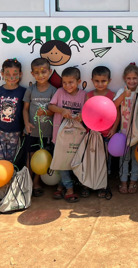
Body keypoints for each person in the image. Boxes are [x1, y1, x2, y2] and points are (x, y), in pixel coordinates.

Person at [48, 67, 87, 203]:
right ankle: (69, 189)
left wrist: (82, 116)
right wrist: (62, 110)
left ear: (79, 81)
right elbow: (51, 107)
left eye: (71, 82)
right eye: (64, 82)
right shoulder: (59, 92)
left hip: (76, 138)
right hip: (59, 137)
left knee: (74, 162)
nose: (67, 86)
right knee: (62, 163)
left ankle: (62, 185)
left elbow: (87, 112)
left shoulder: (83, 95)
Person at [23, 58, 57, 197]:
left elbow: (54, 111)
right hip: (32, 131)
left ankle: (37, 182)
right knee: (30, 157)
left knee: (41, 159)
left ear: (49, 72)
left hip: (47, 132)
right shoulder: (30, 90)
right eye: (37, 72)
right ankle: (27, 182)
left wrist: (46, 112)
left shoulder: (53, 91)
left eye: (44, 72)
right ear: (32, 73)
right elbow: (25, 109)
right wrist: (26, 123)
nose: (40, 75)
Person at [113, 63, 138, 194]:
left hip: (137, 132)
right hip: (124, 132)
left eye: (135, 78)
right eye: (129, 78)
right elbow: (114, 105)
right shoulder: (122, 91)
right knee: (124, 158)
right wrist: (124, 96)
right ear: (125, 79)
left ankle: (133, 181)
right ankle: (123, 181)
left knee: (136, 158)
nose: (132, 81)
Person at [0, 58, 26, 162]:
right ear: (2, 74)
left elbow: (25, 111)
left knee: (12, 159)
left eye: (15, 74)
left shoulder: (23, 92)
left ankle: (9, 177)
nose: (12, 77)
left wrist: (24, 127)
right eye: (8, 74)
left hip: (15, 132)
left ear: (20, 74)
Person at [87, 66, 116, 197]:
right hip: (92, 135)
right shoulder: (89, 95)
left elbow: (117, 113)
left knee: (105, 161)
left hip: (107, 135)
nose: (100, 84)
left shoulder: (112, 95)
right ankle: (89, 184)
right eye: (97, 81)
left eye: (103, 81)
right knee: (92, 160)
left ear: (109, 80)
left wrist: (114, 129)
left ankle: (103, 186)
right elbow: (86, 113)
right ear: (92, 80)